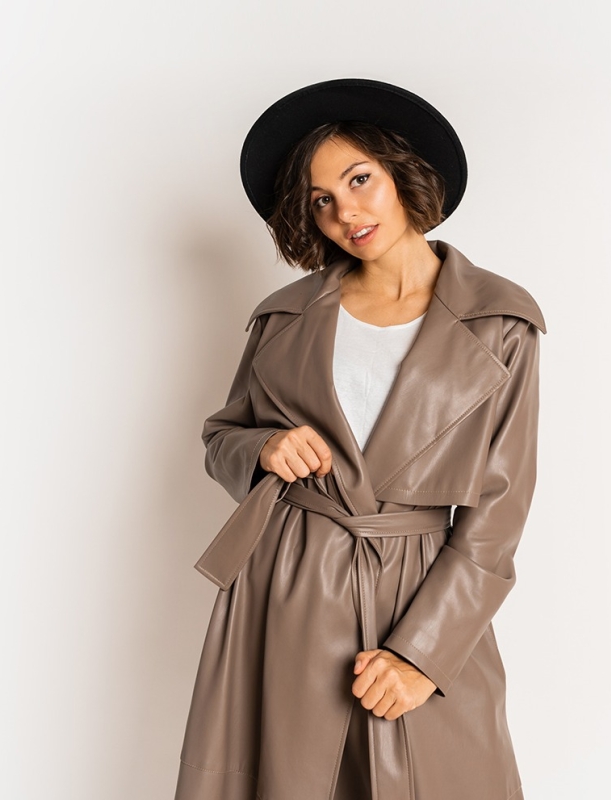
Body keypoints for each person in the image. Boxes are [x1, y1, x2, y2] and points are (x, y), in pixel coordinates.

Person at [174, 78, 547, 800]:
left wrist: (423, 653)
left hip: (422, 590)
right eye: (321, 199)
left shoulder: (501, 320)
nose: (345, 212)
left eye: (358, 179)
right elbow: (224, 435)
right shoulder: (284, 317)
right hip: (288, 585)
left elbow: (499, 512)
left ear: (402, 172)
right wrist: (263, 450)